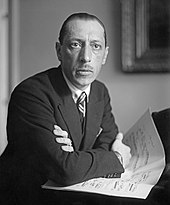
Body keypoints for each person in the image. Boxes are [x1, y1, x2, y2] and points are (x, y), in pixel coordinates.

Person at [0, 12, 131, 204]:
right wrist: (117, 158)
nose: (86, 57)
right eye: (75, 45)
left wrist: (75, 158)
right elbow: (65, 170)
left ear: (105, 55)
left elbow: (107, 140)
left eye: (96, 46)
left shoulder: (100, 92)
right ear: (59, 51)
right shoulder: (30, 94)